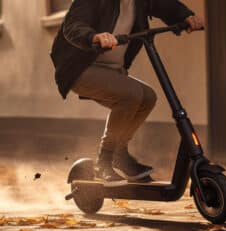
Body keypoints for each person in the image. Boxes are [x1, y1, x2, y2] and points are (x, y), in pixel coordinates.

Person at [51, 0, 203, 186]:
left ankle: (119, 155)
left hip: (113, 70)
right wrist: (94, 37)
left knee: (148, 97)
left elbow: (165, 4)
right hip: (81, 69)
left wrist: (186, 16)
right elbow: (73, 25)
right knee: (131, 95)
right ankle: (104, 161)